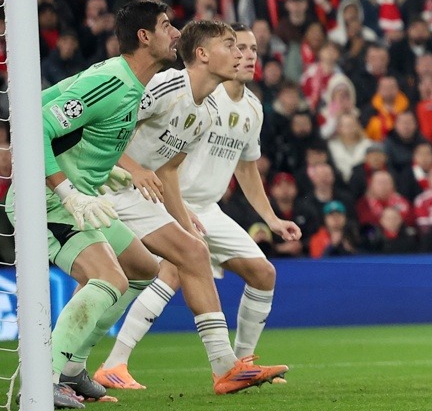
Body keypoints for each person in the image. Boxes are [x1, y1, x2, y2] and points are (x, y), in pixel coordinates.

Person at [95, 24, 302, 389]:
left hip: (205, 208)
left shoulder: (250, 109)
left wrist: (271, 218)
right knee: (170, 268)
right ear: (206, 54)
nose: (246, 55)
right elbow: (126, 134)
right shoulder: (191, 90)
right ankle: (113, 362)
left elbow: (245, 168)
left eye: (252, 49)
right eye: (236, 46)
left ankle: (239, 364)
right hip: (155, 196)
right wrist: (140, 175)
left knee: (262, 273)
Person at [7, 2, 173, 408]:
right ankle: (44, 379)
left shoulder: (125, 81)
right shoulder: (112, 81)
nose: (176, 33)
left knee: (142, 268)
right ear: (144, 37)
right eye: (167, 25)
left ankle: (72, 368)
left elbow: (46, 101)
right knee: (109, 278)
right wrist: (67, 189)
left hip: (82, 198)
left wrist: (104, 168)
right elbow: (36, 124)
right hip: (47, 201)